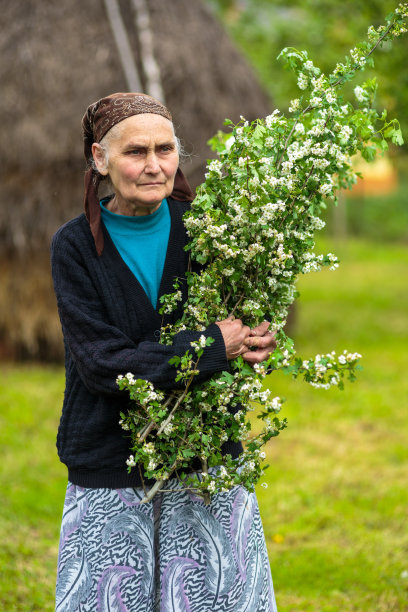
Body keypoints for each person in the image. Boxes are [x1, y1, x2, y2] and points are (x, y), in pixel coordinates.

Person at [51, 92, 278, 611]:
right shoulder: (75, 247)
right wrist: (208, 348)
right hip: (112, 460)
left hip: (206, 459)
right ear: (98, 158)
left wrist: (257, 338)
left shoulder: (212, 234)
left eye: (166, 149)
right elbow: (103, 366)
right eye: (136, 152)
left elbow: (240, 324)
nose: (155, 166)